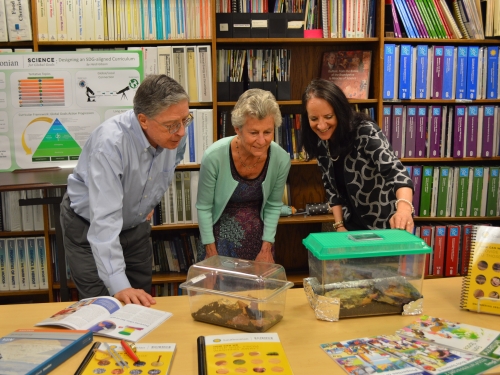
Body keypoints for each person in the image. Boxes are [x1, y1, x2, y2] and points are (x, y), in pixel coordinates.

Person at [60, 74, 190, 306]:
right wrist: (119, 285)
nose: (181, 132)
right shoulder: (110, 144)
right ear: (143, 120)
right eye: (172, 125)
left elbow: (168, 166)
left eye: (185, 119)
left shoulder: (176, 133)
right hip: (89, 227)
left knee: (141, 302)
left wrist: (146, 201)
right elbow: (105, 220)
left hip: (134, 229)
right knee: (101, 305)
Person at [301, 79, 414, 232]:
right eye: (314, 119)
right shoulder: (321, 143)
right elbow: (331, 190)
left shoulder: (365, 132)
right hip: (351, 228)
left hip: (385, 227)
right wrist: (339, 225)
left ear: (340, 112)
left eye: (328, 117)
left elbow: (397, 173)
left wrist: (404, 210)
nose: (321, 125)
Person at [196, 89, 291, 262]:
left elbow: (272, 206)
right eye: (254, 133)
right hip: (217, 240)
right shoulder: (213, 156)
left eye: (267, 132)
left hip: (259, 241)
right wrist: (211, 252)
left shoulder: (281, 159)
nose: (262, 141)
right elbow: (204, 207)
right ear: (238, 129)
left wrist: (267, 247)